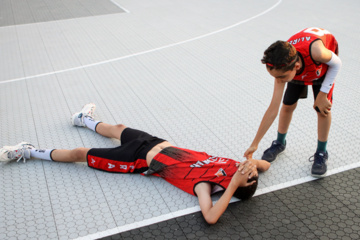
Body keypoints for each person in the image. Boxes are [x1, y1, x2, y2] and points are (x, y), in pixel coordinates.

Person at [0, 103, 270, 224]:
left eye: (247, 175)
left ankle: (29, 152)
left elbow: (210, 217)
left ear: (234, 184)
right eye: (250, 172)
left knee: (80, 153)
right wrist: (252, 165)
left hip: (136, 160)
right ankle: (83, 119)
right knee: (118, 127)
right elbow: (265, 166)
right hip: (154, 141)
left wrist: (235, 184)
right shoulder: (234, 166)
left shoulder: (206, 186)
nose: (247, 170)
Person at [244, 27, 341, 177]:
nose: (278, 81)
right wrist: (254, 143)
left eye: (281, 78)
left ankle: (321, 152)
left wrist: (323, 94)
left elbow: (337, 63)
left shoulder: (317, 52)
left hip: (322, 67)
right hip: (300, 68)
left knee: (322, 109)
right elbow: (273, 109)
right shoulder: (282, 68)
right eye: (275, 77)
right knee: (287, 105)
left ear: (295, 67)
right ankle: (280, 143)